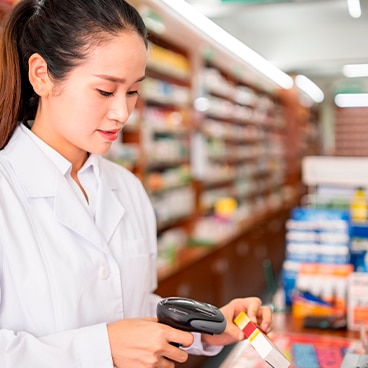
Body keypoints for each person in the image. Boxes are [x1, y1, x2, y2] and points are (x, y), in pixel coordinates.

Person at [0, 0, 272, 367]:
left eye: (132, 91)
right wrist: (101, 349)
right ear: (42, 75)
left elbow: (127, 303)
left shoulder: (126, 187)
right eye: (105, 91)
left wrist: (205, 326)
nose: (123, 113)